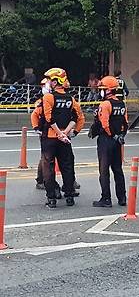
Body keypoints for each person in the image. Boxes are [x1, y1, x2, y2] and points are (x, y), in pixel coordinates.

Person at [41, 68, 84, 208]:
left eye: (49, 80)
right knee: (67, 167)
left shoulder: (48, 98)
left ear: (55, 81)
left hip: (50, 138)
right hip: (64, 139)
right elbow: (78, 118)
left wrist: (58, 133)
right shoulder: (71, 99)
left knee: (48, 168)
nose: (48, 83)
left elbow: (49, 118)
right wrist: (67, 133)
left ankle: (51, 198)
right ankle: (70, 196)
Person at [90, 75, 128, 208]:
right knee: (118, 169)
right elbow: (125, 123)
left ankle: (106, 199)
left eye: (103, 88)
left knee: (104, 170)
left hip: (106, 140)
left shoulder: (105, 104)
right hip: (117, 140)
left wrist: (110, 134)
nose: (101, 91)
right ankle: (122, 198)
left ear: (109, 90)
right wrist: (120, 135)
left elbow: (104, 124)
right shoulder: (122, 104)